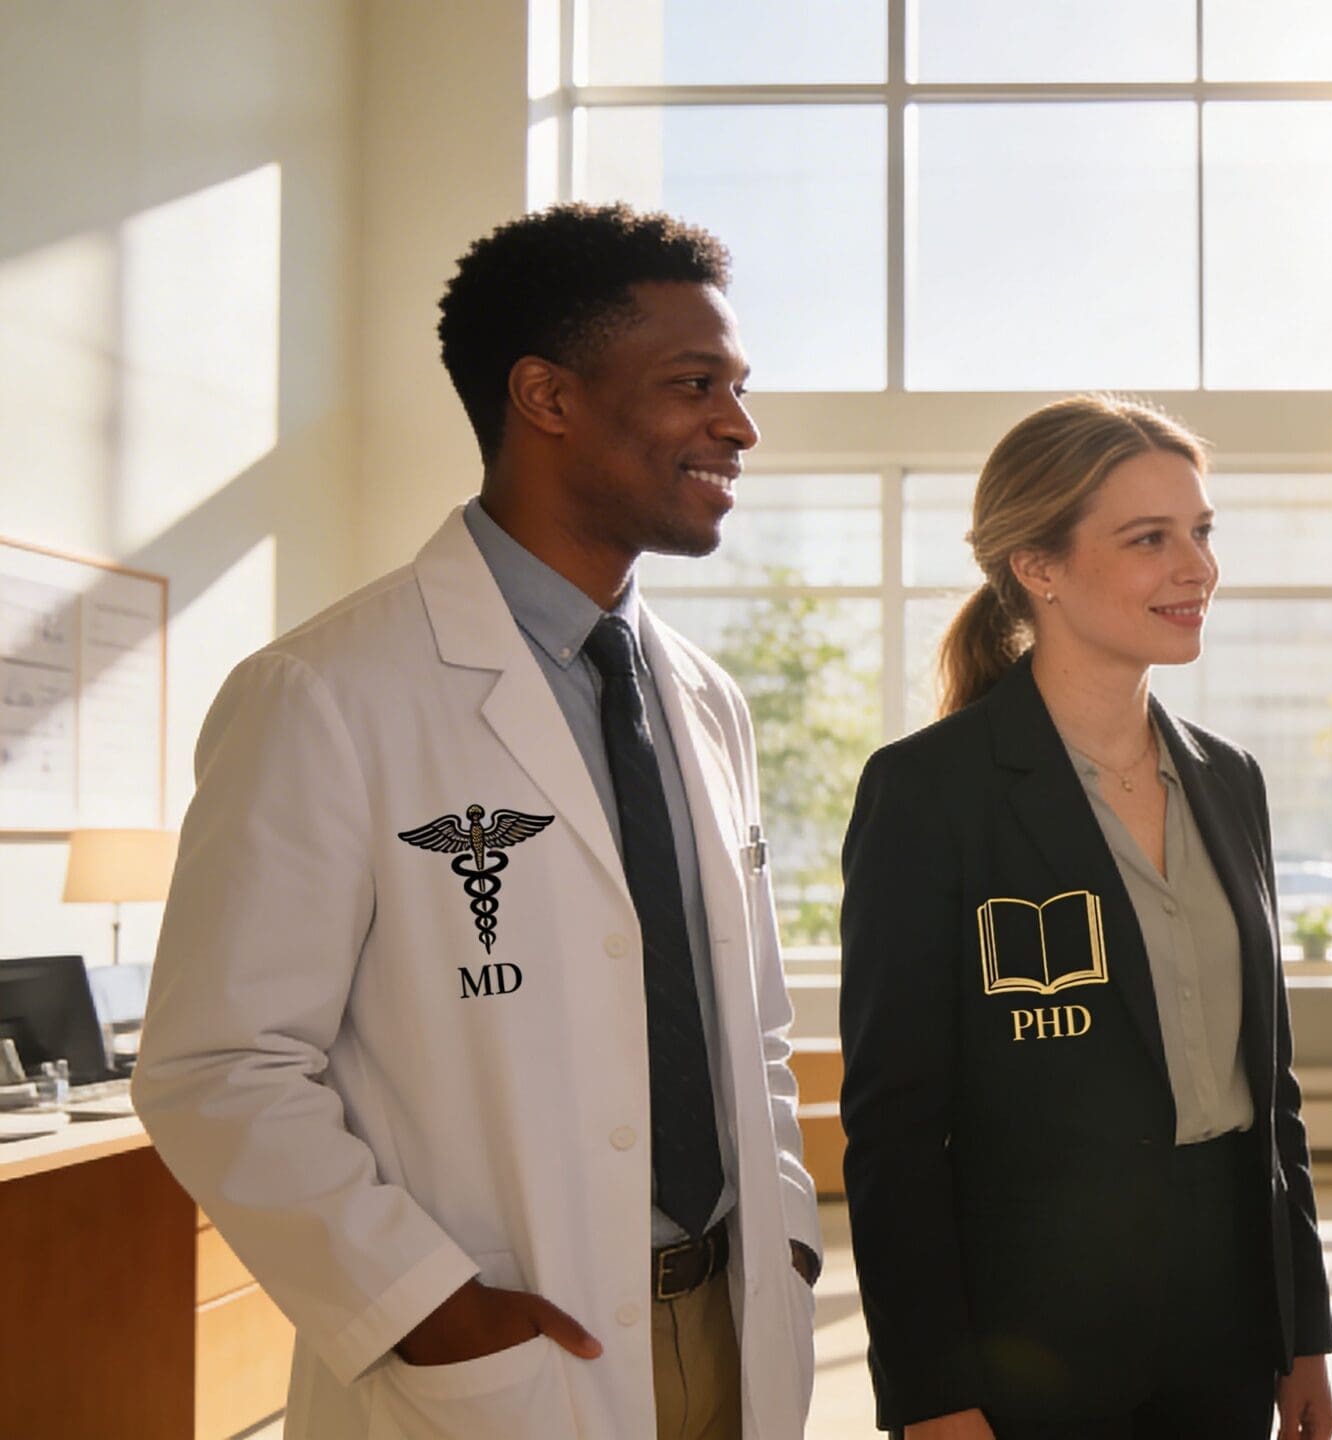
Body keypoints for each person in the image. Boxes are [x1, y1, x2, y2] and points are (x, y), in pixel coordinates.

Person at [134, 203, 821, 1440]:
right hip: (505, 1354)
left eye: (739, 388)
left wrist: (789, 1232)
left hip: (734, 1323)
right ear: (546, 397)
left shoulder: (706, 702)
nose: (739, 425)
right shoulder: (325, 694)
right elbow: (219, 1065)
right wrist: (426, 1309)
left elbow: (754, 1020)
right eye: (694, 384)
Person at [835, 395, 1332, 1440]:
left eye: (1201, 531)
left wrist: (1303, 1332)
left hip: (1227, 1321)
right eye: (1150, 539)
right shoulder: (930, 790)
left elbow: (1271, 1091)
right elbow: (894, 1130)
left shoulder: (1229, 781)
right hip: (1030, 1339)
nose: (1196, 568)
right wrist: (932, 1393)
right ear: (1039, 566)